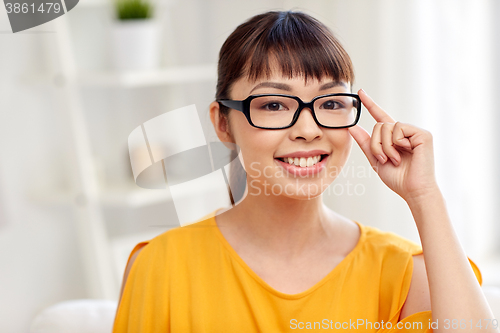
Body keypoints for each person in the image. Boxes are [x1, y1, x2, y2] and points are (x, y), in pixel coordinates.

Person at [112, 10, 497, 333]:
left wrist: (425, 197)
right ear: (223, 123)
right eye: (275, 105)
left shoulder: (403, 271)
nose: (308, 129)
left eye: (330, 102)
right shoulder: (160, 266)